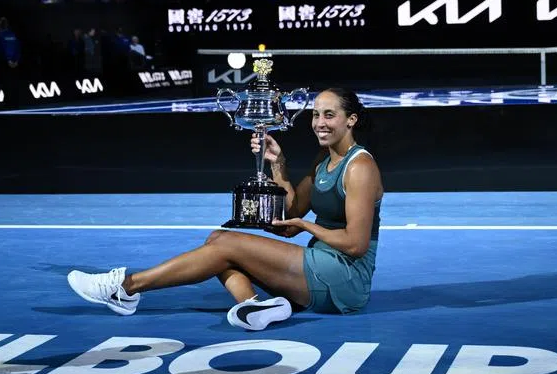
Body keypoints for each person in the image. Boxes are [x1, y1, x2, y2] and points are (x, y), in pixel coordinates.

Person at [66, 87, 383, 330]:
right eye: (316, 115)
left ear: (351, 120)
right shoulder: (324, 159)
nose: (319, 123)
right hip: (323, 265)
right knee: (219, 238)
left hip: (345, 279)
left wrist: (306, 227)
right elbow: (291, 211)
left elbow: (356, 244)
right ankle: (255, 306)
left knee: (226, 244)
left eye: (329, 115)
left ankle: (126, 287)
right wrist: (278, 164)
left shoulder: (360, 167)